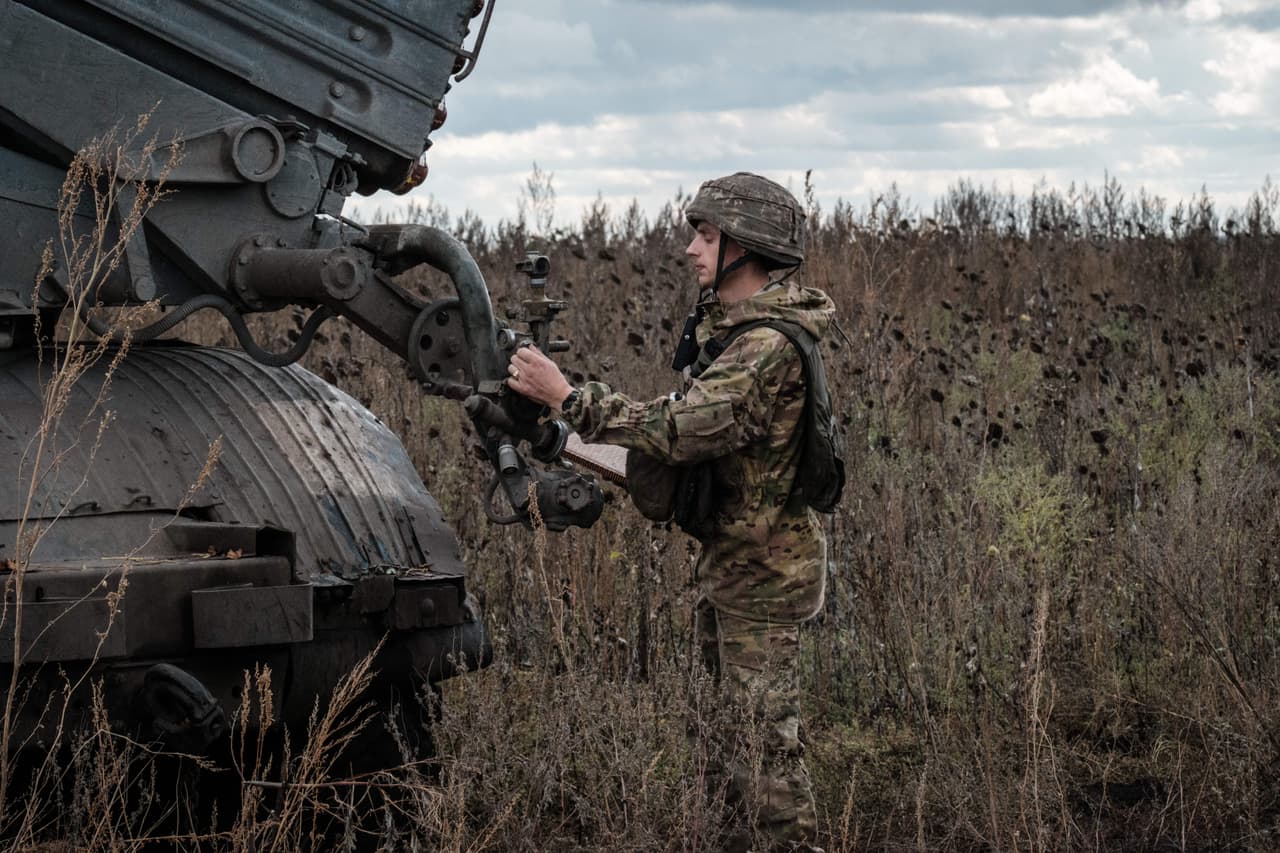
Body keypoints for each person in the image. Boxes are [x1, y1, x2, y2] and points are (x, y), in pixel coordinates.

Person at [506, 172, 835, 852]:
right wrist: (563, 441)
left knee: (766, 761)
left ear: (746, 248)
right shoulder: (739, 336)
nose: (689, 249)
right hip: (738, 571)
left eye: (706, 236)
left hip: (763, 584)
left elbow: (681, 431)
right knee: (726, 745)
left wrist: (569, 395)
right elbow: (676, 459)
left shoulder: (767, 348)